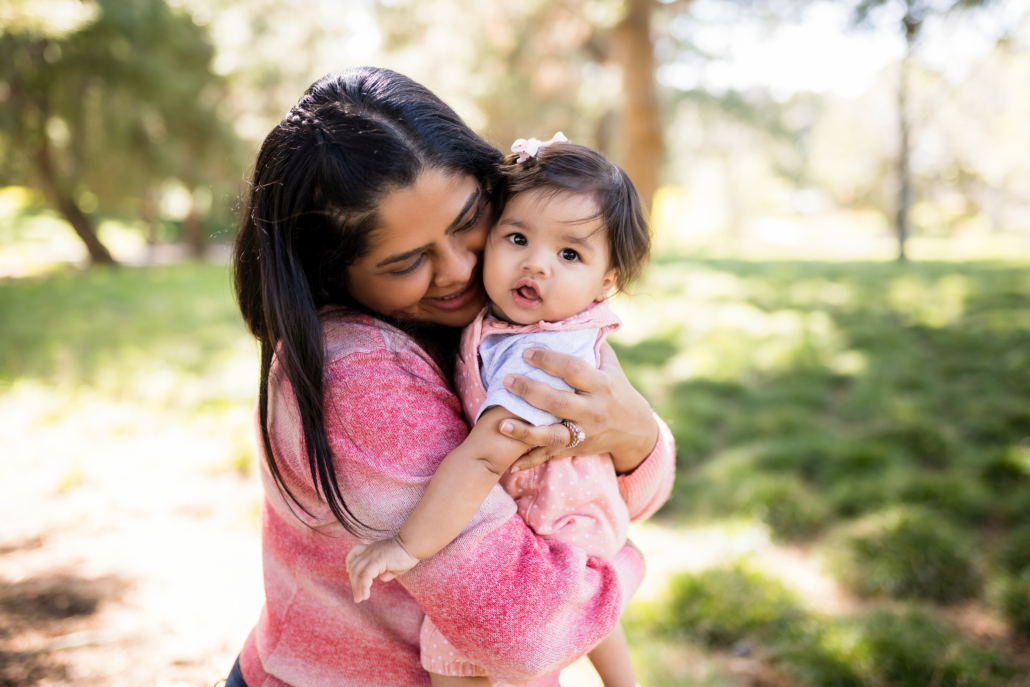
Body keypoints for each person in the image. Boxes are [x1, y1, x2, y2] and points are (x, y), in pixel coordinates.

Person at [226, 66, 675, 687]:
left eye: (469, 221)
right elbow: (522, 631)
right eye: (409, 261)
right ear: (335, 273)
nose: (460, 269)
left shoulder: (517, 323)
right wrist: (616, 563)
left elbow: (629, 493)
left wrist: (632, 436)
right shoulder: (359, 377)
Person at [345, 133, 651, 687]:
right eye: (515, 238)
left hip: (553, 524)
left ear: (606, 283)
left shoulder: (538, 357)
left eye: (569, 254)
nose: (535, 265)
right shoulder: (515, 322)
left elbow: (484, 457)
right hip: (578, 511)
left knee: (458, 654)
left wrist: (405, 545)